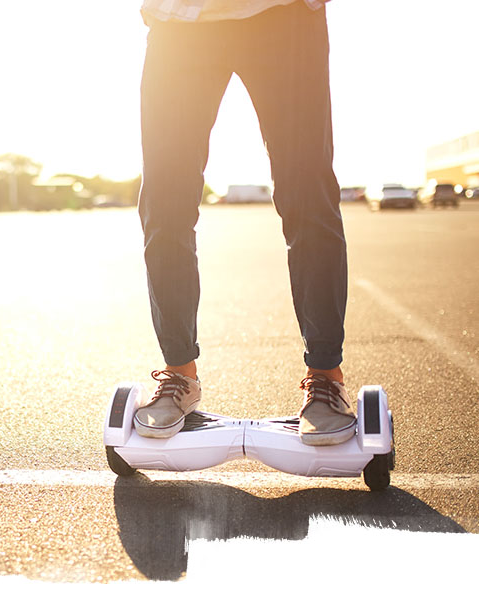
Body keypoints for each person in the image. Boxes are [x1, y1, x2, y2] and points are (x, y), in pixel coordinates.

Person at [133, 0, 356, 445]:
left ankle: (326, 377)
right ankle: (179, 375)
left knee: (307, 197)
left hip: (285, 14)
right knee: (165, 205)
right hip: (181, 22)